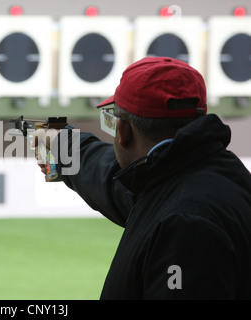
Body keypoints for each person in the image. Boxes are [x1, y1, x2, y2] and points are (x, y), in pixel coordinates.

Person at [36, 56, 251, 299]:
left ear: (122, 130)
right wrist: (55, 140)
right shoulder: (201, 173)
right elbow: (106, 175)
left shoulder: (183, 221)